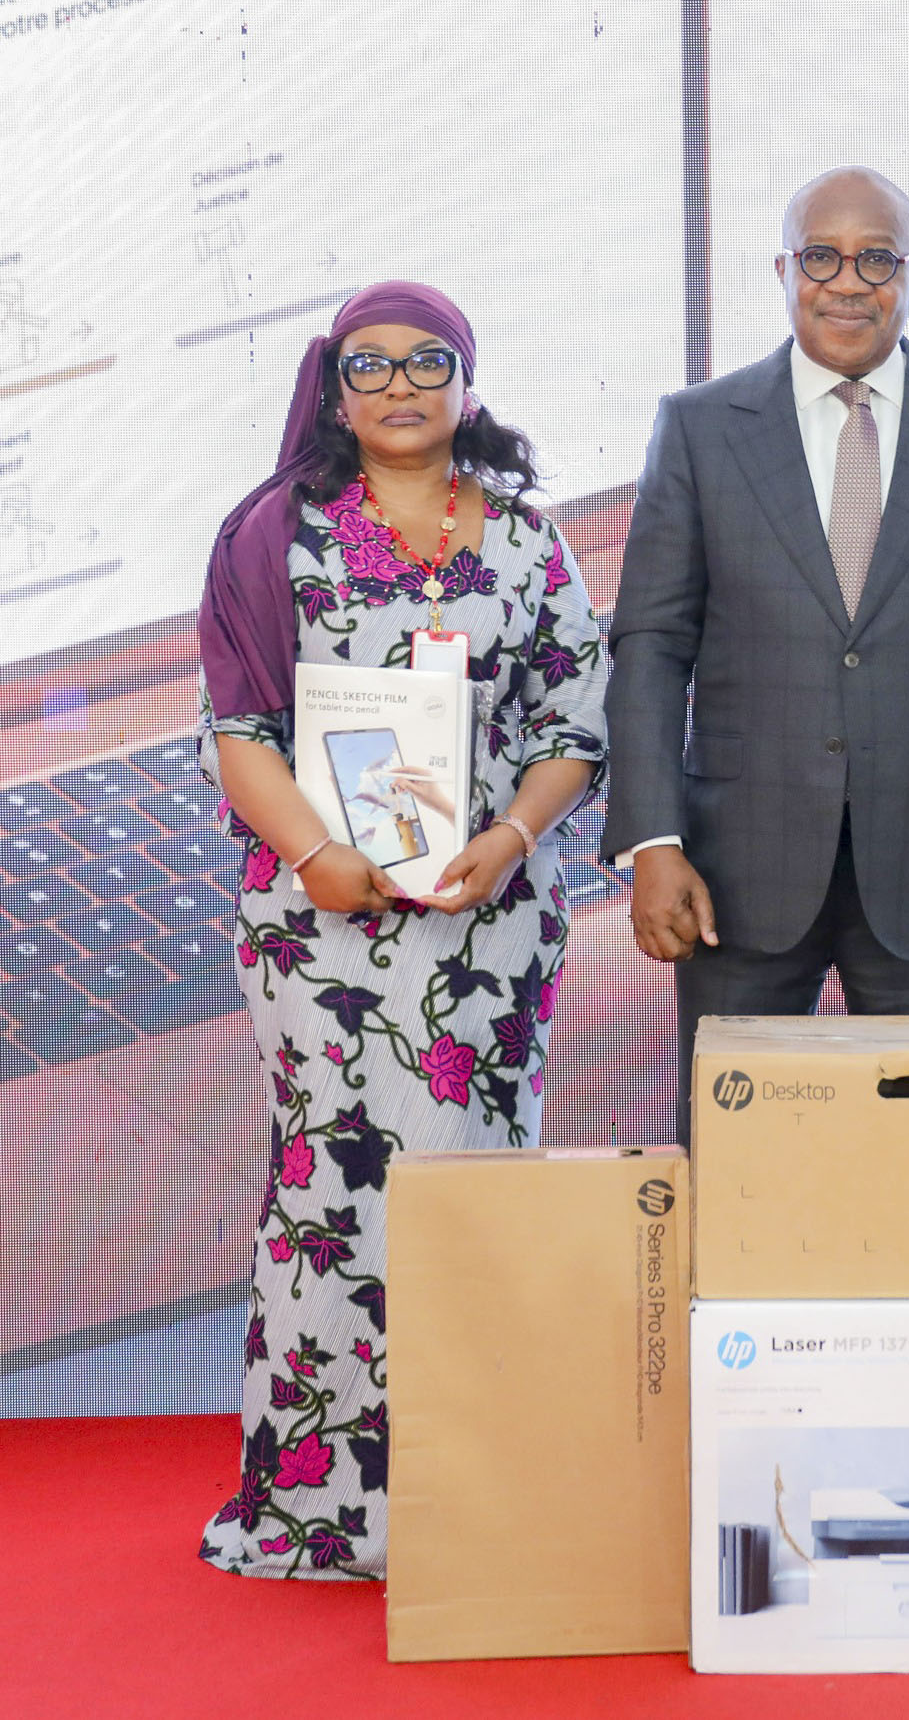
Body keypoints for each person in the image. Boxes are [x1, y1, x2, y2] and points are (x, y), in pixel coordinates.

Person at [194, 282, 608, 1577]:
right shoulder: (274, 535)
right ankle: (319, 1507)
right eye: (367, 365)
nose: (399, 385)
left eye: (428, 361)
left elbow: (573, 726)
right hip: (319, 924)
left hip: (488, 925)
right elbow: (238, 729)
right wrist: (316, 856)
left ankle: (467, 1498)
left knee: (472, 1191)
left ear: (466, 383)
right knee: (332, 1187)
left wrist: (515, 835)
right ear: (333, 390)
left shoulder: (529, 540)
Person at [603, 166, 909, 1137]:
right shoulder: (699, 427)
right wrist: (652, 840)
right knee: (737, 1165)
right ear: (783, 270)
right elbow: (650, 644)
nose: (848, 282)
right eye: (821, 256)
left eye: (877, 259)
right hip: (733, 882)